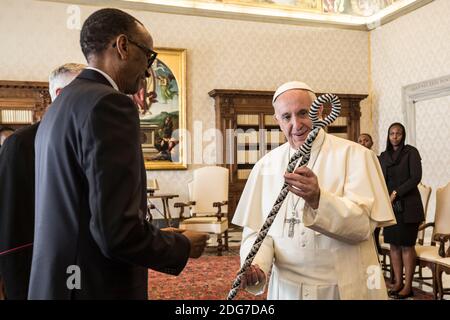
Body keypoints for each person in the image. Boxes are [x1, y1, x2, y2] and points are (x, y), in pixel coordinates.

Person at [28, 8, 208, 300]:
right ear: (123, 46)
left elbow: (80, 207)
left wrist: (162, 236)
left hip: (58, 281)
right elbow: (116, 233)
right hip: (94, 285)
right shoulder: (109, 104)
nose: (149, 70)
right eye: (149, 57)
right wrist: (181, 246)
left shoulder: (61, 105)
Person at [233, 81, 396, 300]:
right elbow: (258, 231)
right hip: (288, 290)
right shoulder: (266, 165)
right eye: (286, 117)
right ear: (277, 121)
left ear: (319, 111)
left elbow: (363, 228)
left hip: (343, 287)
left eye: (303, 113)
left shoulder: (356, 156)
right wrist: (256, 264)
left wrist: (319, 199)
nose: (296, 124)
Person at [0, 63, 85, 300]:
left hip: (84, 262)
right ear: (60, 94)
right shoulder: (19, 144)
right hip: (36, 262)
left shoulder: (89, 138)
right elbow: (11, 222)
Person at [378, 122, 424, 299]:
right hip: (390, 207)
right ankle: (397, 282)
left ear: (403, 135)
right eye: (391, 133)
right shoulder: (383, 156)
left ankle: (408, 286)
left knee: (406, 245)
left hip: (409, 205)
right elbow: (380, 179)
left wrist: (396, 192)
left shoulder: (411, 152)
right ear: (388, 136)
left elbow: (416, 177)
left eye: (398, 133)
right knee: (394, 246)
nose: (395, 136)